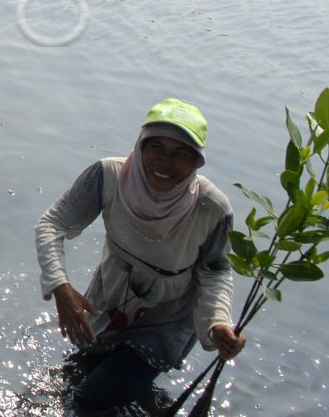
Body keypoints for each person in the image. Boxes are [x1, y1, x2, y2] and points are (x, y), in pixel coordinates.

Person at [35, 98, 247, 412]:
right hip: (108, 302)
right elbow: (52, 224)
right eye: (156, 147)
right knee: (74, 374)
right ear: (141, 145)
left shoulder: (212, 207)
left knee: (88, 400)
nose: (164, 162)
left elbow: (215, 273)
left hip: (165, 322)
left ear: (196, 162)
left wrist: (218, 326)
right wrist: (61, 287)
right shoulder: (107, 176)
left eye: (180, 154)